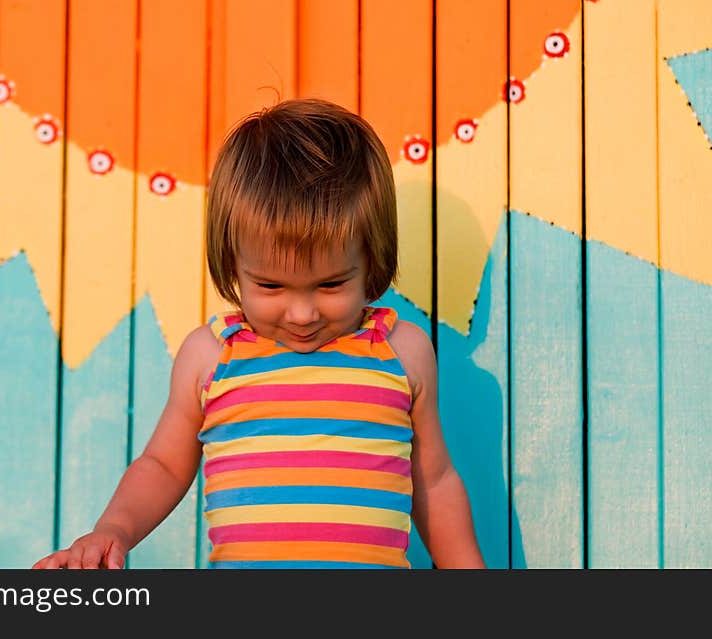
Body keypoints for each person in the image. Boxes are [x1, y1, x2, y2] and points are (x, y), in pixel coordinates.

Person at [33, 98, 485, 569]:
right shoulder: (212, 357)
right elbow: (162, 466)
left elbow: (433, 483)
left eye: (331, 284)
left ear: (372, 260)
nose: (302, 313)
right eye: (271, 285)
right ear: (234, 266)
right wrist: (113, 530)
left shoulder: (400, 352)